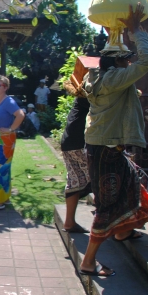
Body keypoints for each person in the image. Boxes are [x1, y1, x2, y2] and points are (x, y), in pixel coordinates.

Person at [80, 3, 148, 277]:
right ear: (118, 63)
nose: (131, 64)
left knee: (138, 179)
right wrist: (136, 31)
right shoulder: (113, 79)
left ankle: (123, 231)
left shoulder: (101, 76)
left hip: (106, 145)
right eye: (127, 61)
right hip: (106, 148)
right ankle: (88, 262)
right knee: (106, 205)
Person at [0, 75, 25, 211]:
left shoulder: (8, 101)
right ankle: (4, 197)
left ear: (5, 87)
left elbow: (20, 114)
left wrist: (10, 129)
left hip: (3, 140)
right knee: (3, 169)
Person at [60, 97, 91, 234]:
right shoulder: (96, 88)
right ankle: (113, 226)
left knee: (74, 179)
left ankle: (69, 222)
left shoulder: (82, 94)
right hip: (82, 141)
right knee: (101, 178)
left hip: (69, 140)